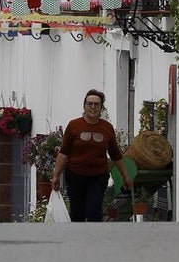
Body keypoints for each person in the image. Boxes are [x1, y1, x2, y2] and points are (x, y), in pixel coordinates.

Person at [51, 89, 133, 222]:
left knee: (94, 211)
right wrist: (56, 175)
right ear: (84, 106)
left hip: (98, 176)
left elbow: (115, 154)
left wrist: (126, 176)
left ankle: (94, 235)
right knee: (77, 213)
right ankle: (77, 235)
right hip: (75, 176)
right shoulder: (74, 125)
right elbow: (64, 152)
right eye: (89, 104)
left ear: (101, 107)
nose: (93, 107)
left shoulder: (107, 127)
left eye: (96, 104)